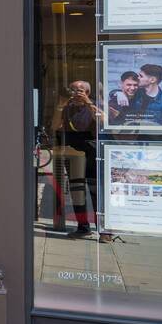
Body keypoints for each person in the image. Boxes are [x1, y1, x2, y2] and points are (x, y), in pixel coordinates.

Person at [53, 80, 100, 237]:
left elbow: (103, 122)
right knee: (76, 190)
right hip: (73, 152)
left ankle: (104, 229)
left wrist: (88, 103)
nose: (74, 93)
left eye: (78, 90)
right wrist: (61, 105)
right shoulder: (66, 107)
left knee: (95, 190)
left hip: (92, 151)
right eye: (72, 90)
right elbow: (54, 126)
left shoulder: (94, 105)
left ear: (87, 92)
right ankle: (83, 227)